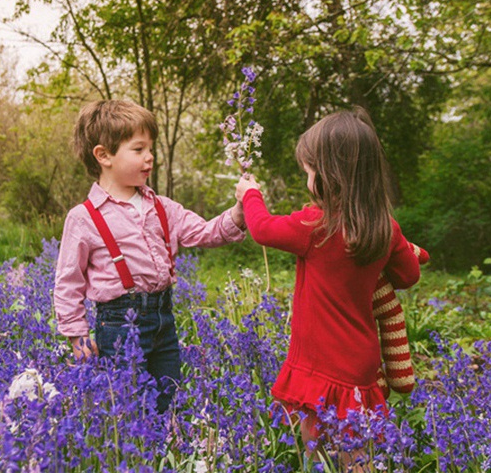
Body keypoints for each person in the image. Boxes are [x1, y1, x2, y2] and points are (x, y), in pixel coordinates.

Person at [235, 107, 421, 459]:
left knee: (315, 446)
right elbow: (409, 275)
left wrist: (250, 193)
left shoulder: (315, 226)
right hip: (360, 363)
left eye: (309, 172)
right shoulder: (386, 228)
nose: (307, 180)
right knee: (357, 448)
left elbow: (261, 228)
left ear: (328, 176)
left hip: (319, 362)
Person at [55, 99, 246, 413]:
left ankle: (165, 452)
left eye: (151, 149)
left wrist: (239, 213)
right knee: (127, 405)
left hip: (163, 320)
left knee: (167, 399)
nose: (149, 157)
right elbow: (67, 283)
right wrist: (76, 334)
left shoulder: (162, 207)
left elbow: (204, 233)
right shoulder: (84, 218)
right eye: (138, 149)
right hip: (117, 324)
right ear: (104, 156)